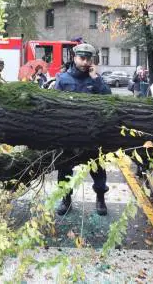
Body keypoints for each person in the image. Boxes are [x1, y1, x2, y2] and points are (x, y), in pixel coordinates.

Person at [53, 43, 112, 216]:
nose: (85, 62)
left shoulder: (94, 78)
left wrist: (96, 79)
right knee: (64, 170)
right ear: (74, 58)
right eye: (82, 58)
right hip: (69, 134)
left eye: (89, 59)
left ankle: (100, 198)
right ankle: (66, 199)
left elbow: (109, 99)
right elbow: (55, 106)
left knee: (97, 169)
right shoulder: (63, 79)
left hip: (91, 135)